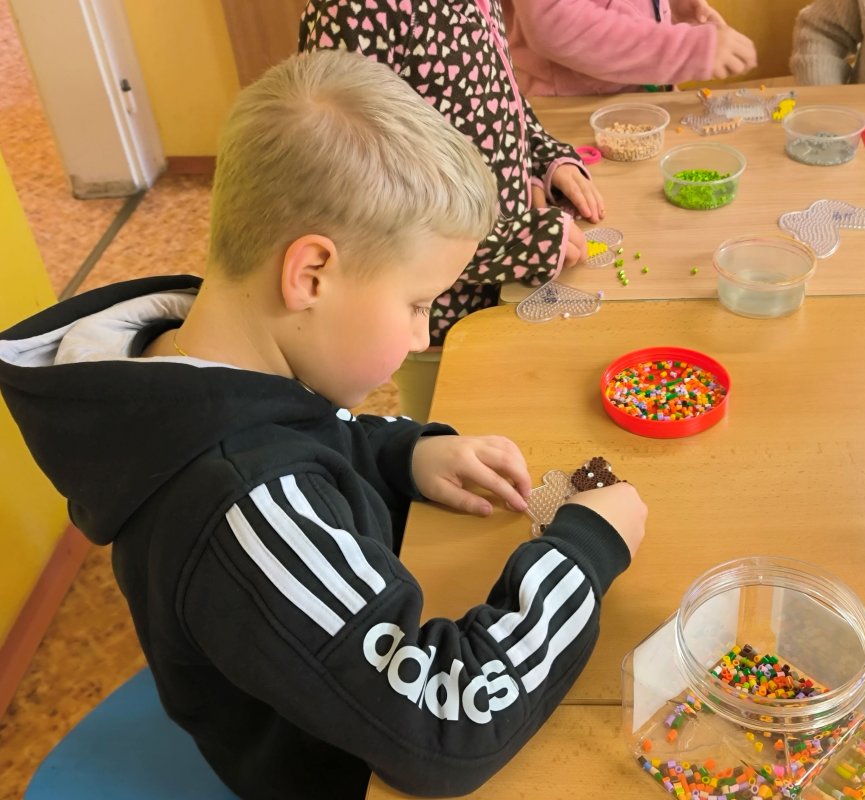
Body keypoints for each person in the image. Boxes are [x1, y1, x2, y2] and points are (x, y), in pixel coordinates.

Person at [0, 51, 647, 799]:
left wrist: (405, 455)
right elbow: (445, 728)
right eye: (416, 303)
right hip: (331, 771)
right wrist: (582, 554)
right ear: (310, 274)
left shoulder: (199, 362)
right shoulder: (241, 505)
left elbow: (301, 430)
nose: (421, 332)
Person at [300, 0, 606, 421]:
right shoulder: (355, 8)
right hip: (440, 318)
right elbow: (354, 197)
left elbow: (500, 95)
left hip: (504, 291)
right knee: (446, 439)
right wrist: (512, 243)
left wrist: (543, 155)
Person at [502, 0, 758, 96]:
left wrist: (671, 7)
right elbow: (552, 22)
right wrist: (686, 48)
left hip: (639, 99)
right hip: (571, 114)